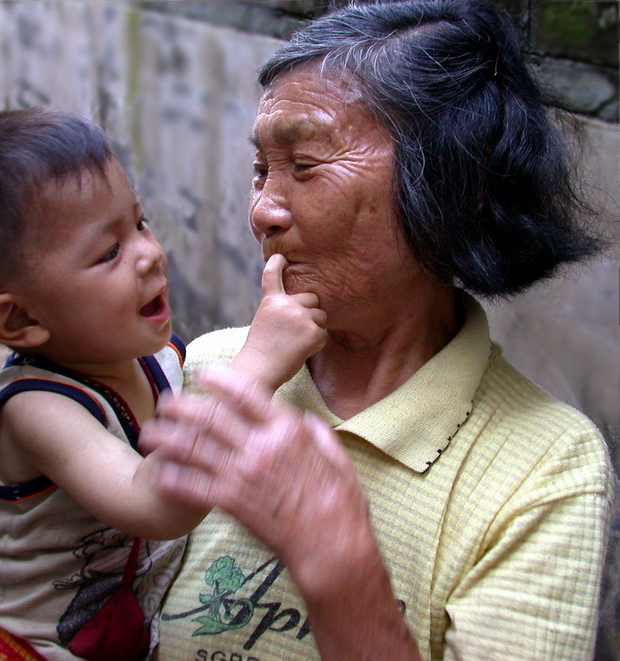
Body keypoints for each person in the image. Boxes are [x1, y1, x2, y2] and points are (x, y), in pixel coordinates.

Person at [140, 1, 614, 659]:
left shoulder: (545, 466)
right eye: (260, 170)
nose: (263, 210)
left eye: (303, 165)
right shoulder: (217, 369)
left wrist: (337, 563)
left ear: (457, 184)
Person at [0, 108, 326, 661]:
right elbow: (156, 504)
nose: (149, 253)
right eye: (108, 253)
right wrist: (259, 364)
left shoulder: (157, 358)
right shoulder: (38, 409)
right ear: (18, 321)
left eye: (140, 223)